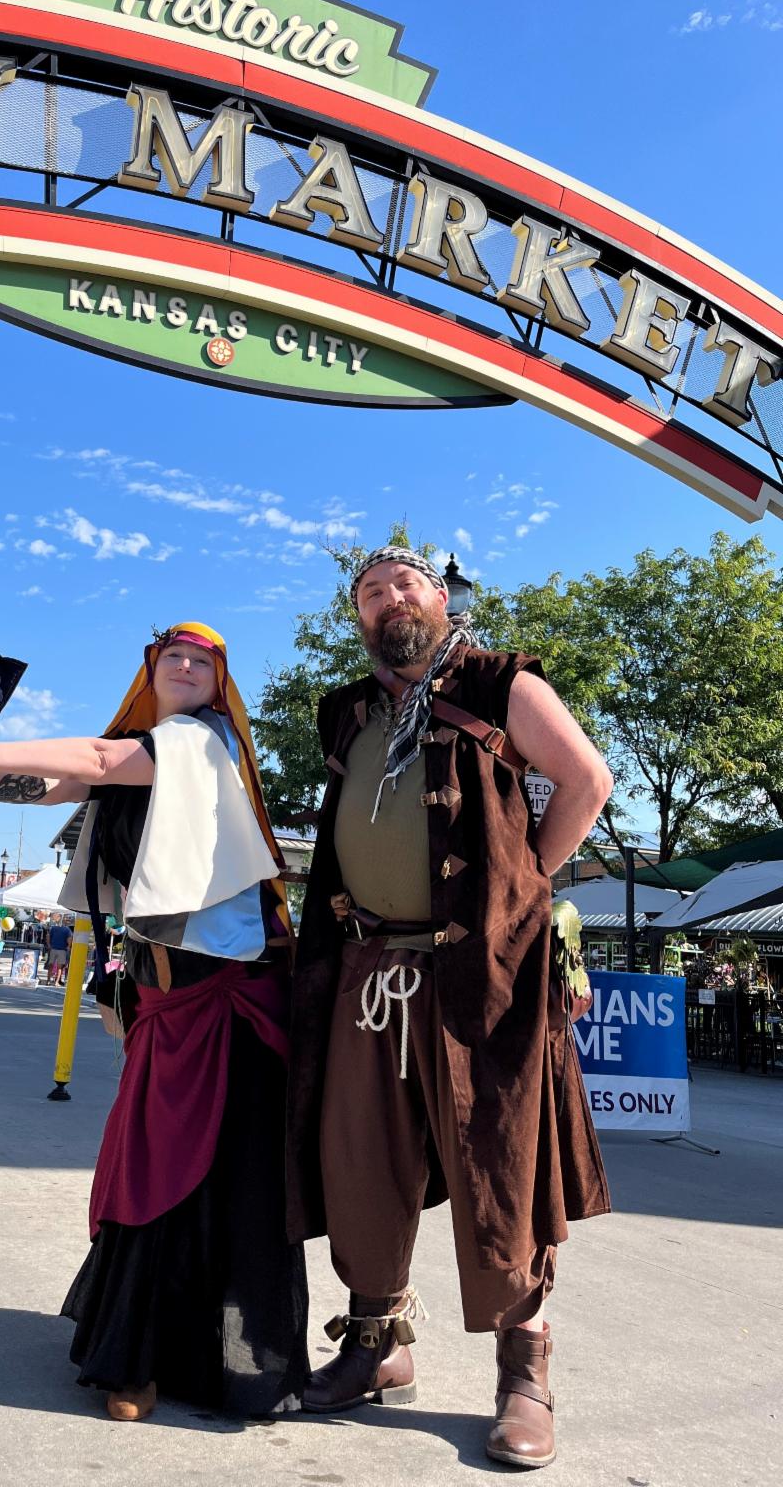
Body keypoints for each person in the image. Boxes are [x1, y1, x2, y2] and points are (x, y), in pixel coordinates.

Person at [0, 622, 308, 1423]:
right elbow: (62, 786)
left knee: (215, 1181)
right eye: (173, 657)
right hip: (167, 1001)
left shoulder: (202, 740)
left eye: (203, 661)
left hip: (228, 1002)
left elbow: (92, 760)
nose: (187, 666)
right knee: (151, 1169)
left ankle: (204, 1365)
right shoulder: (143, 755)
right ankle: (140, 1352)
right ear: (151, 672)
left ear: (221, 684)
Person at [287, 547, 612, 1470]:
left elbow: (587, 781)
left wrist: (523, 885)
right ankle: (377, 1346)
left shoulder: (501, 683)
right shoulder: (348, 711)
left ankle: (524, 1374)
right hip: (368, 969)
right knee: (360, 1159)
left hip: (481, 974)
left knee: (499, 1162)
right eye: (369, 591)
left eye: (405, 584)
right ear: (358, 617)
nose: (388, 598)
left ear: (439, 598)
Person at [46, 918, 71, 984]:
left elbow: (48, 936)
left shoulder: (53, 928)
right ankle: (56, 982)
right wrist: (68, 946)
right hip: (62, 950)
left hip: (53, 949)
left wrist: (48, 945)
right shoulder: (67, 929)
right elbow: (69, 938)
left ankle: (48, 981)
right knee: (59, 967)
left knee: (50, 966)